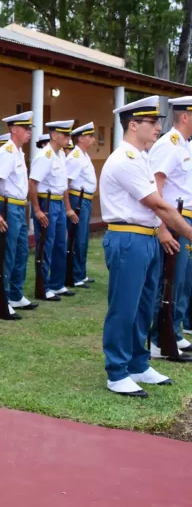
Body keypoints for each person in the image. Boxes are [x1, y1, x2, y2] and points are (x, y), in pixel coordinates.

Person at [100, 96, 192, 397]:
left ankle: (138, 364)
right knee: (123, 308)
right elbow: (157, 204)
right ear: (134, 125)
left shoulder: (141, 157)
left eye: (158, 122)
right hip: (128, 238)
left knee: (143, 308)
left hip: (146, 236)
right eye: (152, 122)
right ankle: (116, 371)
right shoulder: (124, 159)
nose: (158, 127)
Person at [147, 96, 192, 359]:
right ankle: (158, 339)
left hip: (184, 219)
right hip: (175, 221)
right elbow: (157, 187)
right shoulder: (169, 145)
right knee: (169, 281)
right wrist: (163, 228)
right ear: (185, 116)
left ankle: (173, 332)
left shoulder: (184, 145)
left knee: (183, 280)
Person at [0, 111, 39, 314]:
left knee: (21, 252)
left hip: (19, 206)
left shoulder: (18, 152)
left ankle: (16, 295)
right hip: (8, 207)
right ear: (14, 130)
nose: (29, 133)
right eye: (26, 129)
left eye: (30, 129)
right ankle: (2, 300)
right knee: (7, 254)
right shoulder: (6, 153)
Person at [29, 120, 78, 301]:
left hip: (57, 203)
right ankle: (43, 286)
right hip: (46, 203)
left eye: (69, 135)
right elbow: (32, 183)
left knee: (60, 244)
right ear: (54, 135)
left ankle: (57, 283)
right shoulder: (45, 156)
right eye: (65, 135)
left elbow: (63, 185)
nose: (68, 138)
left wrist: (67, 208)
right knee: (45, 245)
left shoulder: (61, 156)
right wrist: (37, 210)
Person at [66, 122, 98, 289]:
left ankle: (81, 273)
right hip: (77, 199)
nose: (93, 139)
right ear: (80, 138)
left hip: (85, 199)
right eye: (90, 136)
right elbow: (66, 183)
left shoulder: (83, 155)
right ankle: (75, 275)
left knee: (83, 238)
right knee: (77, 238)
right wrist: (68, 208)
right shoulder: (76, 157)